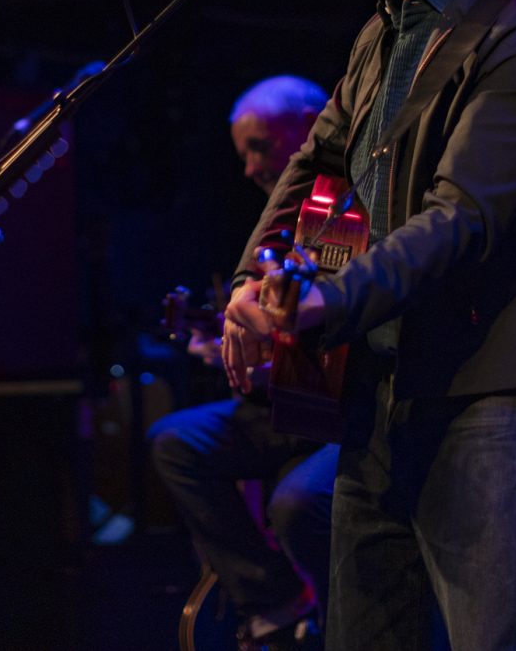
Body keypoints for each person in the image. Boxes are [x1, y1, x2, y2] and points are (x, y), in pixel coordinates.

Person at [223, 0, 516, 650]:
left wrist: (320, 306)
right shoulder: (377, 39)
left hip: (485, 396)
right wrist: (251, 282)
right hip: (378, 399)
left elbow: (463, 217)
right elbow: (313, 171)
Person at [148, 76, 339, 651]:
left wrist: (280, 353)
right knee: (176, 441)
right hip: (294, 406)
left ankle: (339, 625)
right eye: (244, 153)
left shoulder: (344, 205)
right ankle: (276, 602)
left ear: (309, 127)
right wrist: (240, 353)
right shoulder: (275, 229)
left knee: (296, 502)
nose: (251, 168)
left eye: (261, 146)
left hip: (349, 413)